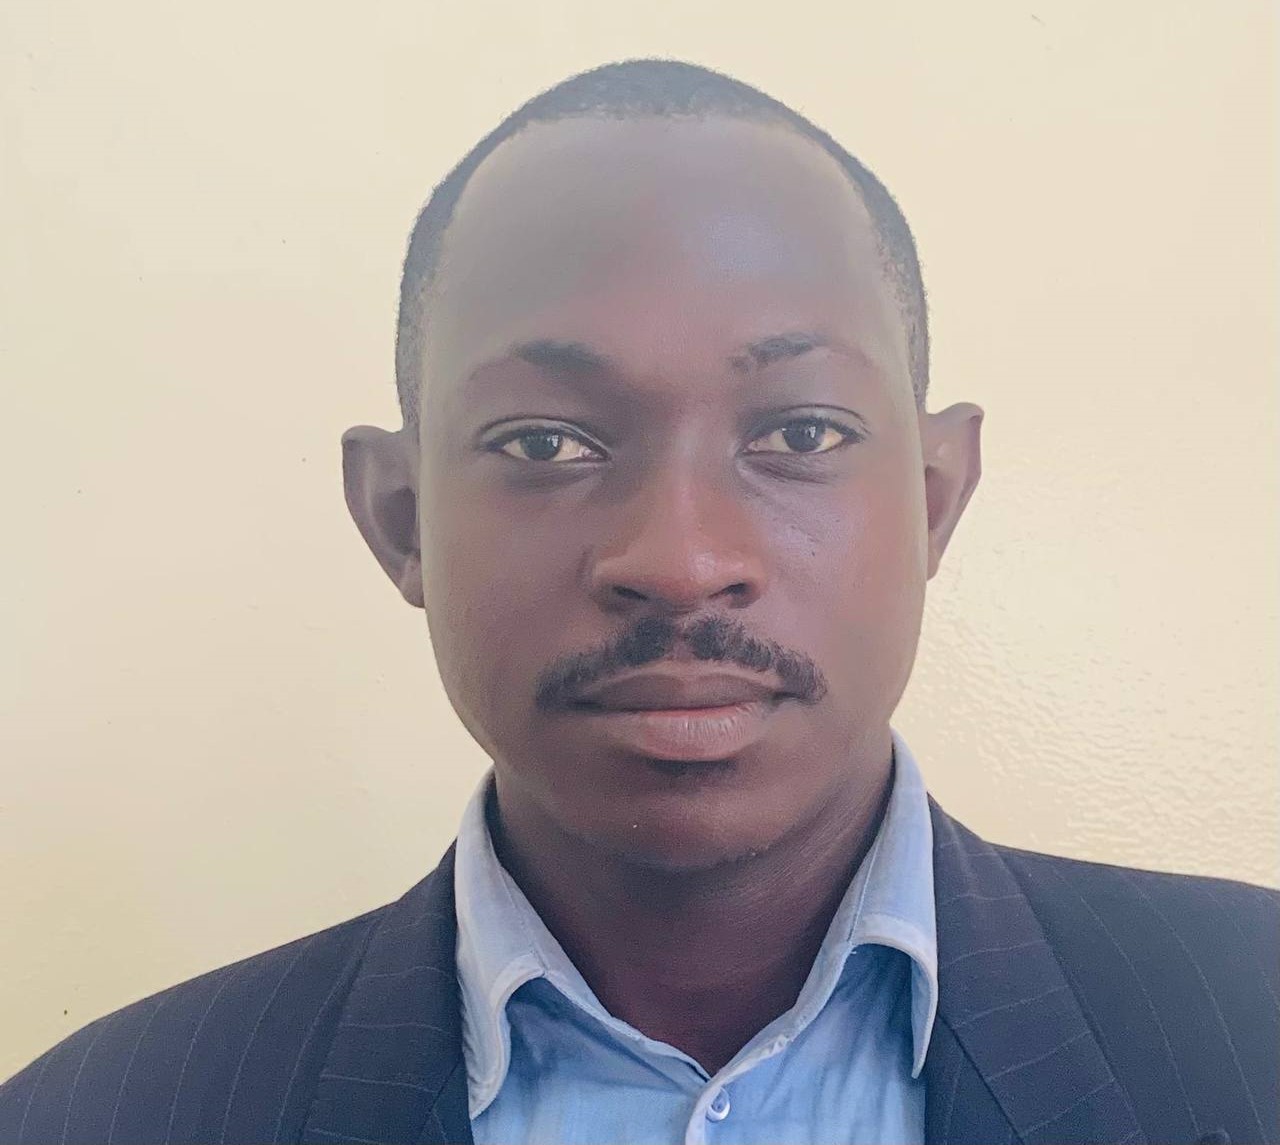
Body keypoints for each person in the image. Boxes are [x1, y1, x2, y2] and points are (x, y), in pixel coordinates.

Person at [1, 58, 1275, 1145]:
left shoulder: (1250, 1029)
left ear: (934, 498)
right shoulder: (95, 1117)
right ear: (398, 517)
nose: (677, 558)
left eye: (800, 431)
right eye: (545, 443)